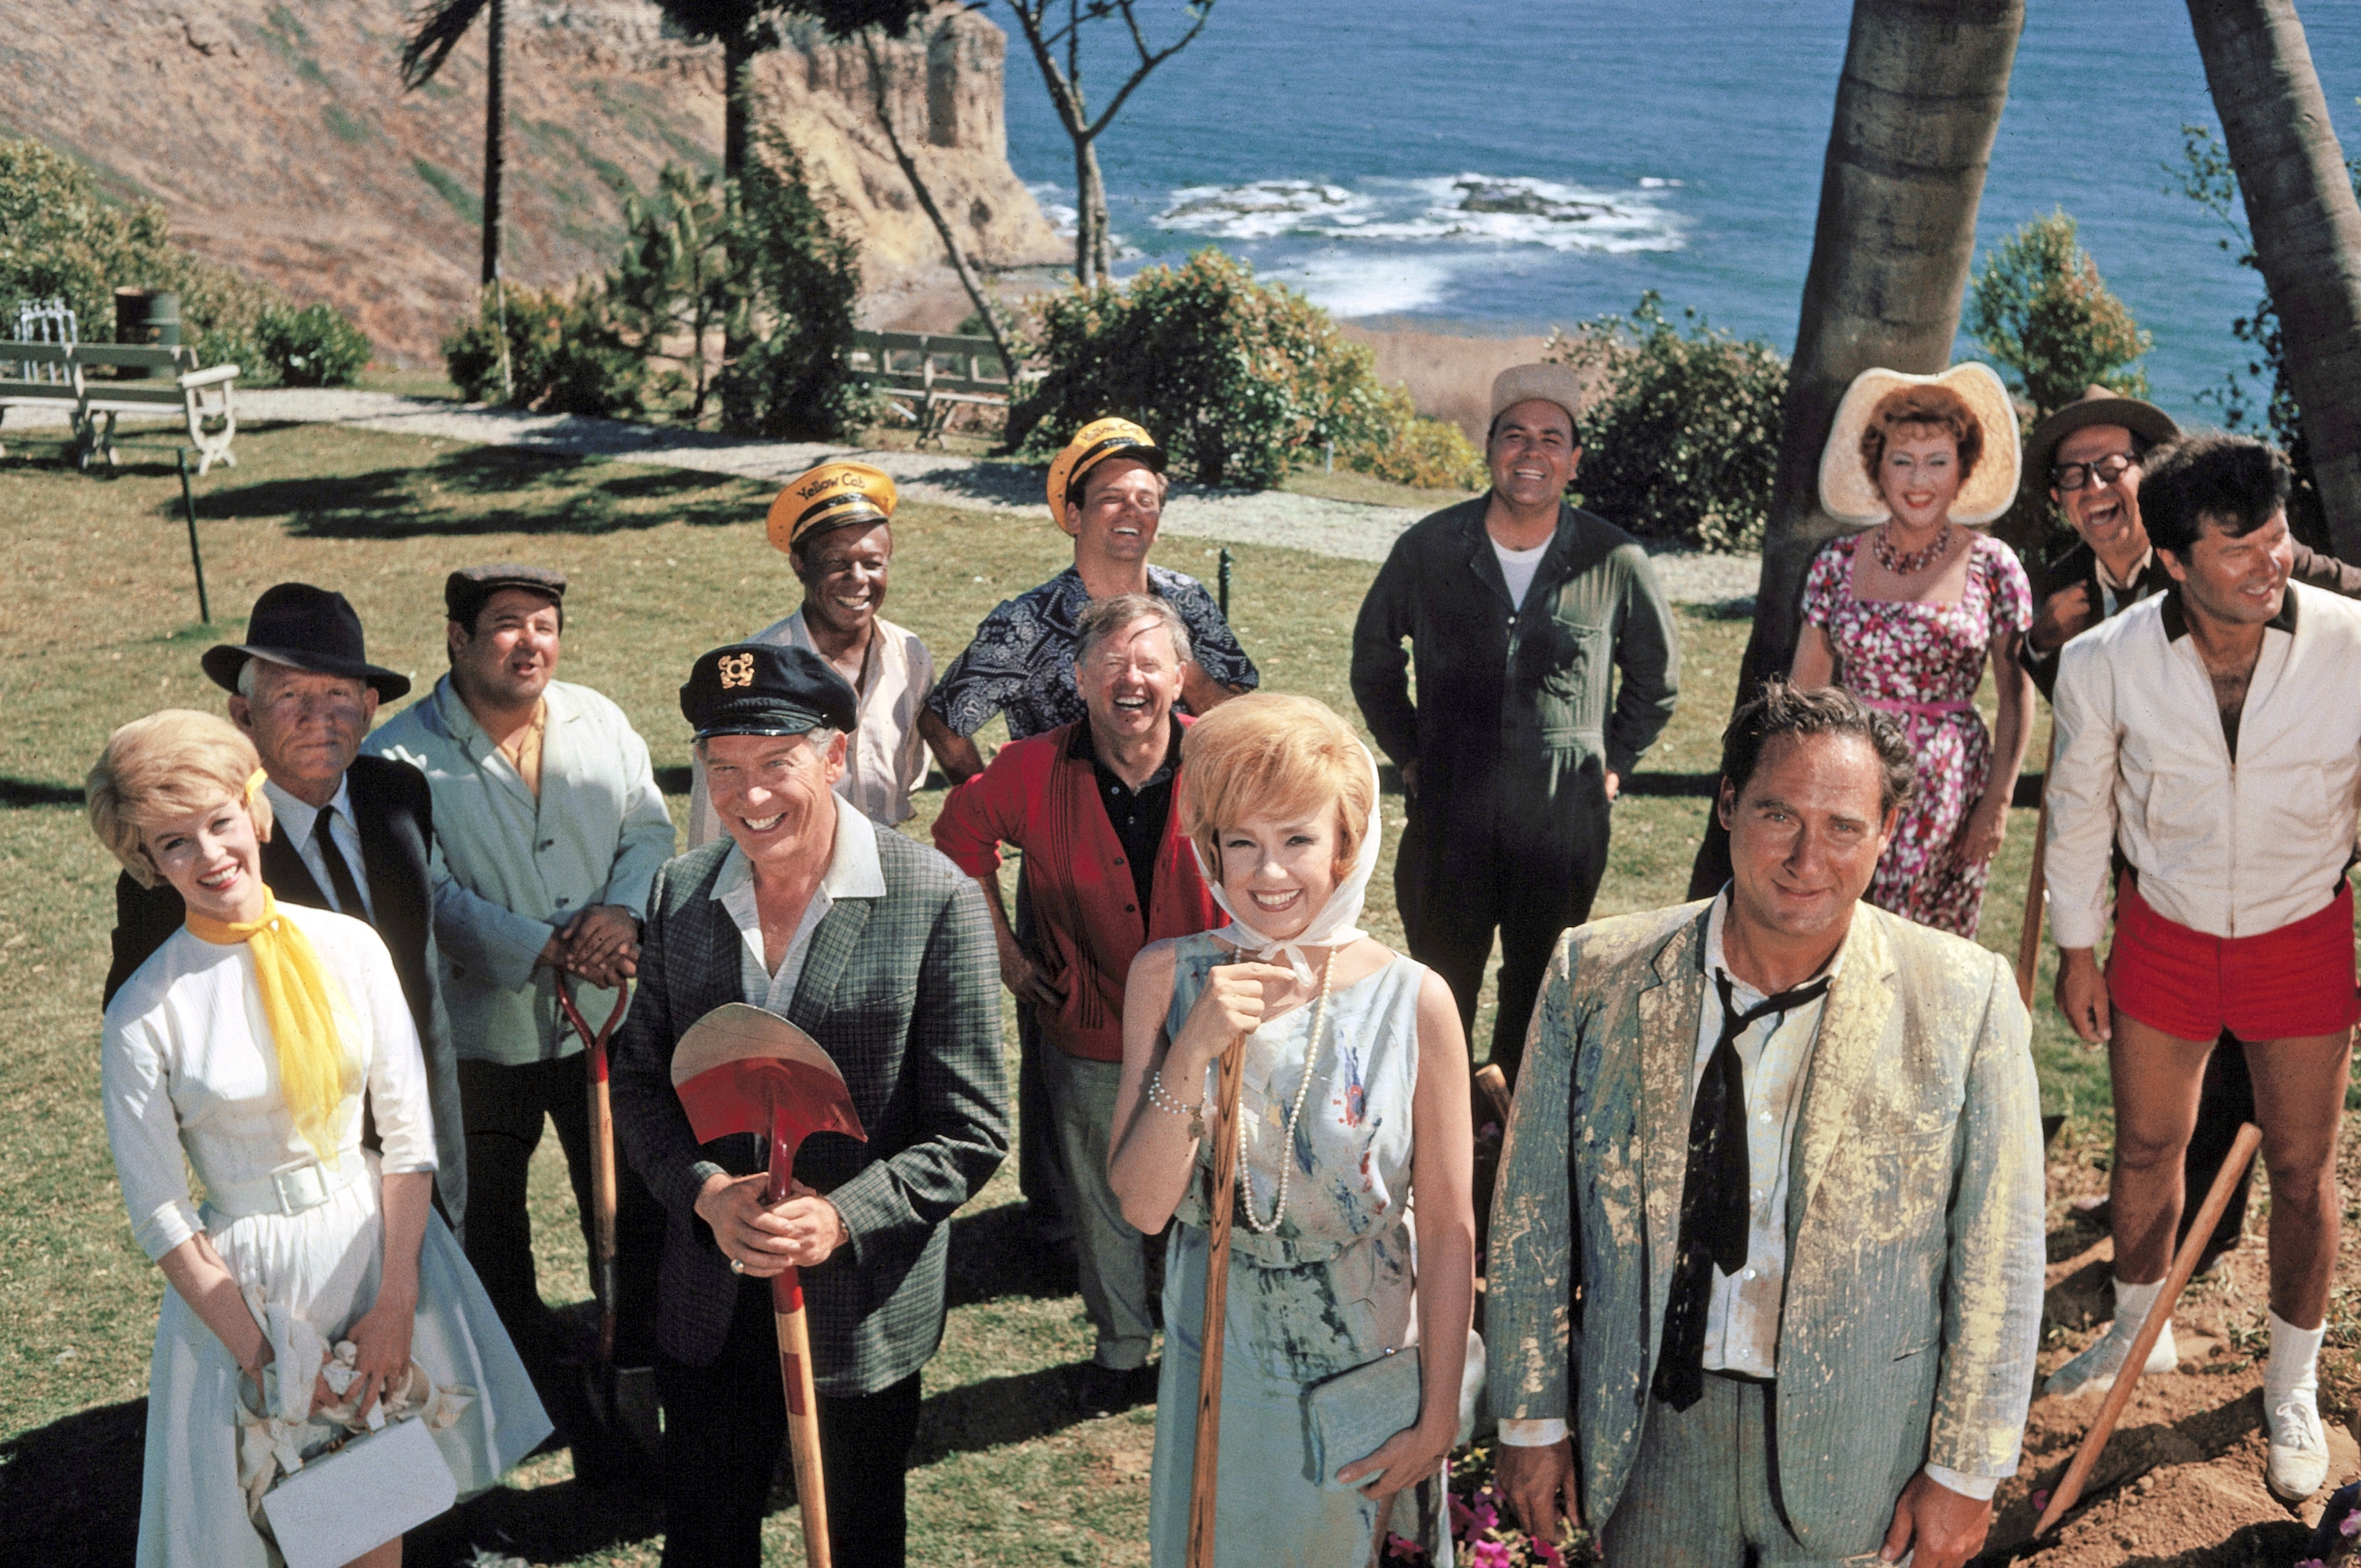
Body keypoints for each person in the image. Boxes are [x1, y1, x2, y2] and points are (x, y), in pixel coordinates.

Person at [1488, 681, 2045, 1568]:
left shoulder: (1964, 998)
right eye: (1778, 813)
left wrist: (1967, 1470)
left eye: (1844, 826)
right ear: (1726, 804)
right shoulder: (1594, 973)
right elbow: (1531, 1222)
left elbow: (2001, 1255)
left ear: (1888, 830)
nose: (1806, 858)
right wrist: (1531, 1415)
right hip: (1654, 1445)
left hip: (1862, 1453)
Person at [91, 710, 548, 1568]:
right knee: (280, 1537)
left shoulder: (352, 947)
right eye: (174, 843)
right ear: (147, 862)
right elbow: (159, 1213)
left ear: (254, 811)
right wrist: (271, 1360)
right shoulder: (144, 1010)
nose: (212, 855)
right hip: (249, 1294)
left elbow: (410, 1137)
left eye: (221, 822)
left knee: (375, 1525)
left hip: (377, 1254)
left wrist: (396, 1304)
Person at [609, 642, 1008, 1568]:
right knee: (706, 1536)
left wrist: (839, 1215)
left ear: (833, 754)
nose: (749, 798)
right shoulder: (679, 890)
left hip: (859, 1307)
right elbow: (640, 1084)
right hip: (708, 1299)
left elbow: (972, 1129)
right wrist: (707, 1193)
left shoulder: (936, 900)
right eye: (724, 769)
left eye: (775, 764)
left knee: (859, 1535)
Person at [2043, 434, 2361, 1502]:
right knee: (2145, 1146)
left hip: (2302, 934)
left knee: (2304, 1174)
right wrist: (2078, 946)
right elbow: (2080, 810)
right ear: (2175, 561)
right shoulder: (2103, 659)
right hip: (2166, 934)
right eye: (2239, 551)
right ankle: (2143, 1331)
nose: (2271, 564)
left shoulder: (2355, 645)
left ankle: (2291, 1383)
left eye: (2277, 538)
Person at [1109, 693, 1476, 1566]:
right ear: (1212, 850)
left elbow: (1454, 1229)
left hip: (1367, 1362)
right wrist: (1193, 1046)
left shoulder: (1415, 999)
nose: (1269, 872)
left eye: (1298, 839)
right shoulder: (1166, 977)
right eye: (1243, 842)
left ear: (1345, 843)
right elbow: (1142, 1208)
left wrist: (1438, 1414)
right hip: (1220, 1359)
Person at [924, 417, 1258, 1241]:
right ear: (1072, 513)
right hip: (1067, 863)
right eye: (1112, 499)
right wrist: (1004, 802)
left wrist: (1192, 694)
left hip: (1178, 850)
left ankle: (1187, 1210)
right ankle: (1064, 1213)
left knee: (1194, 1028)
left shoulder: (1187, 602)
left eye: (1147, 501)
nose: (1132, 515)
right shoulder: (1028, 619)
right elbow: (947, 717)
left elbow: (1244, 708)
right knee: (1065, 1041)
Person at [368, 565, 673, 1400]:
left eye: (545, 624)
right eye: (507, 623)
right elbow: (419, 891)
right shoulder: (396, 754)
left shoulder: (598, 720)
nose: (530, 642)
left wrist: (623, 912)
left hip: (604, 1019)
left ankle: (633, 1358)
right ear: (457, 639)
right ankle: (520, 1378)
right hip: (477, 1035)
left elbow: (648, 827)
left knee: (630, 1200)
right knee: (491, 1223)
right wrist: (542, 947)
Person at [930, 594, 1219, 1418]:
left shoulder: (1225, 758)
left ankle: (1208, 1340)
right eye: (1112, 664)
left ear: (1179, 677)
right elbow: (959, 839)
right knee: (1102, 1198)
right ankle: (1123, 1348)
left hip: (1210, 1023)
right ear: (1080, 677)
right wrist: (1004, 950)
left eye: (1150, 662)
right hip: (1088, 1024)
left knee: (1212, 1183)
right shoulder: (1029, 768)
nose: (1132, 680)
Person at [104, 582, 467, 1236]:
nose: (318, 716)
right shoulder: (203, 858)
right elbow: (147, 1027)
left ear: (369, 706)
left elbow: (421, 988)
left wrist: (442, 1151)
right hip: (295, 1194)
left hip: (428, 1152)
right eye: (291, 696)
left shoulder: (399, 797)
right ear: (242, 716)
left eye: (337, 695)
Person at [1350, 362, 1679, 1083]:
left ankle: (1511, 1157)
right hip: (1450, 813)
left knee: (1540, 999)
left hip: (1562, 819)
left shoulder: (1614, 558)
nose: (1532, 453)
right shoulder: (1430, 547)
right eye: (1516, 435)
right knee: (1435, 991)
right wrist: (1409, 751)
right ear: (1490, 446)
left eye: (1552, 439)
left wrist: (1613, 762)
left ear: (1574, 459)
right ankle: (1428, 1150)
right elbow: (1373, 662)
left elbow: (1656, 682)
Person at [1792, 362, 2033, 939]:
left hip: (1948, 788)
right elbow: (1805, 691)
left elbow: (2016, 695)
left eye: (1936, 461)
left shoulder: (1993, 565)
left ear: (1962, 470)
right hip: (1849, 778)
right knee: (1836, 936)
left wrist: (1996, 803)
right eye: (1901, 460)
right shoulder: (1835, 563)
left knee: (1924, 954)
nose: (1918, 479)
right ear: (1878, 470)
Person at [687, 461, 945, 843]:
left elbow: (906, 776)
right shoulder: (755, 673)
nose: (858, 578)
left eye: (873, 563)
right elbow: (713, 823)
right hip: (785, 872)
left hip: (885, 861)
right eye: (836, 563)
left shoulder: (911, 656)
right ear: (800, 566)